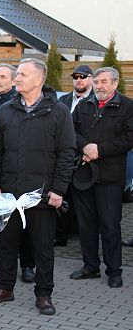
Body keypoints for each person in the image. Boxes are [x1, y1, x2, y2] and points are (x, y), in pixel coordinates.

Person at [0, 58, 76, 316]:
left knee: (43, 248)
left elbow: (68, 153)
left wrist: (58, 190)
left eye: (23, 74)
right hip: (10, 195)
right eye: (18, 73)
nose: (17, 78)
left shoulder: (58, 112)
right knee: (7, 244)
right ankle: (4, 288)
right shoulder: (7, 111)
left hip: (42, 196)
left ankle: (44, 294)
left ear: (38, 79)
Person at [69, 67, 133, 288]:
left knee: (110, 226)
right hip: (84, 174)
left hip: (110, 176)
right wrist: (85, 146)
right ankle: (90, 266)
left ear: (115, 84)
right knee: (86, 225)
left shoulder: (127, 106)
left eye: (104, 82)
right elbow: (70, 131)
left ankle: (114, 270)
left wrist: (100, 150)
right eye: (96, 82)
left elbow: (129, 138)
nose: (100, 86)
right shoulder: (84, 105)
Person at [0, 63, 35, 281]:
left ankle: (28, 265)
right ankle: (0, 261)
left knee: (24, 221)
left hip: (18, 171)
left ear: (13, 81)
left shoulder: (19, 104)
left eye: (3, 77)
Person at [55, 65, 94, 246]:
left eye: (83, 77)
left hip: (83, 160)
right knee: (61, 195)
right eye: (76, 77)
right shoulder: (62, 101)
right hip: (62, 158)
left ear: (91, 79)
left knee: (80, 201)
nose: (79, 80)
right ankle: (60, 236)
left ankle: (81, 235)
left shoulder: (94, 101)